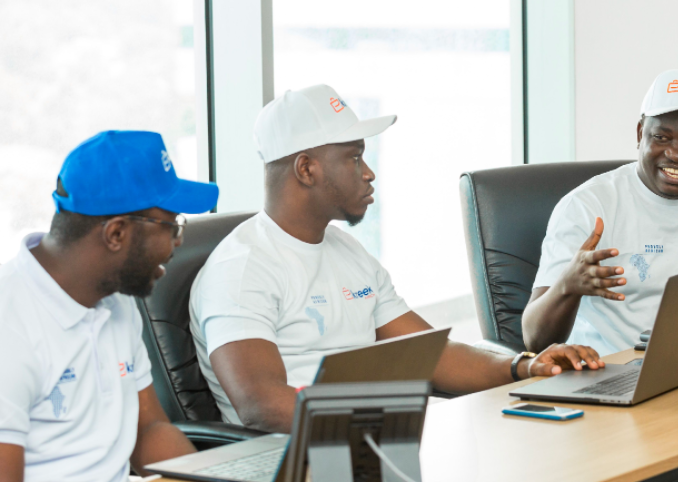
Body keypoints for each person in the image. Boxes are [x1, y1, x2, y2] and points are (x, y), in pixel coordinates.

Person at [189, 84, 603, 433]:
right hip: (297, 459)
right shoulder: (242, 269)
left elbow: (431, 354)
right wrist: (388, 427)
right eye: (354, 157)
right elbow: (261, 405)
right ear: (306, 169)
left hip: (370, 442)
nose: (368, 172)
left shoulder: (347, 251)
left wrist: (525, 367)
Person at [0, 130, 219, 482]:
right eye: (172, 225)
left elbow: (148, 429)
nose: (178, 241)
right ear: (116, 234)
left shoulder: (117, 299)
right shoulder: (3, 323)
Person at [522, 69, 678, 355]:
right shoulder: (587, 206)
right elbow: (534, 341)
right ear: (640, 133)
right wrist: (568, 286)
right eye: (662, 137)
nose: (675, 154)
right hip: (609, 372)